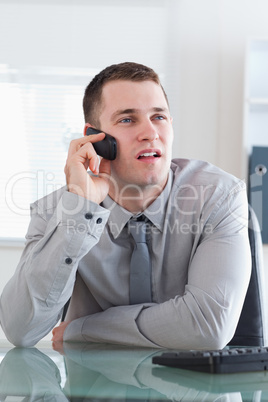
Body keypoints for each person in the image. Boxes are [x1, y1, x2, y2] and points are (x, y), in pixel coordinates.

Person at [0, 62, 251, 349]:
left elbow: (209, 327)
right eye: (128, 120)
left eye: (159, 117)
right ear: (95, 137)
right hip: (94, 390)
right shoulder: (56, 211)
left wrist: (84, 329)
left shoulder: (218, 196)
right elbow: (21, 330)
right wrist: (79, 211)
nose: (150, 133)